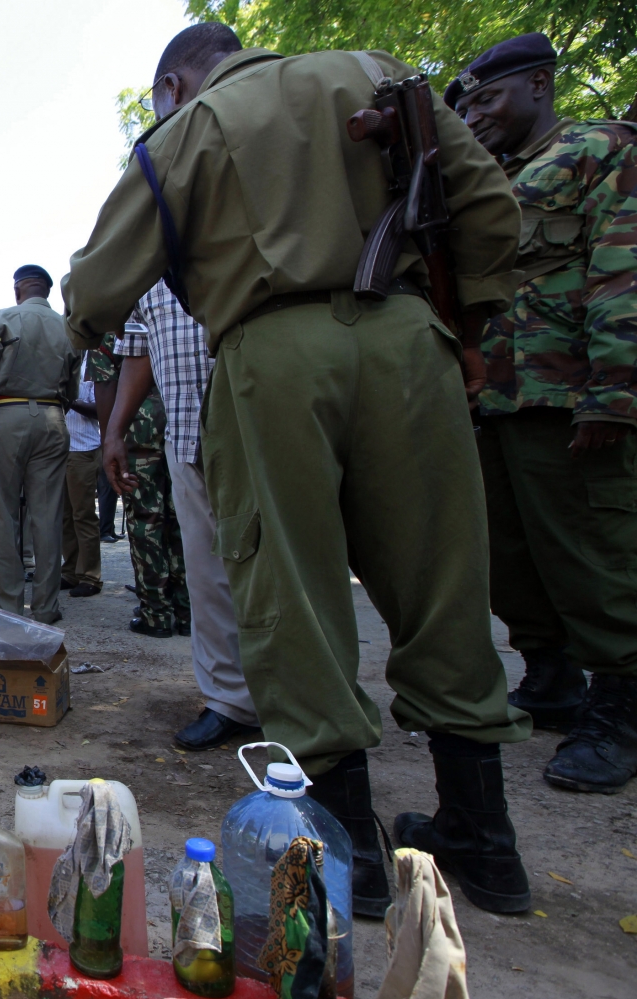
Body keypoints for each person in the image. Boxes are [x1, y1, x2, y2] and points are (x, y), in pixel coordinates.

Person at [64, 24, 532, 916]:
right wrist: (466, 331)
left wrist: (88, 336)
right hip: (407, 344)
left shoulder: (185, 130)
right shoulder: (380, 74)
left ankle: (349, 856)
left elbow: (94, 290)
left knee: (291, 593)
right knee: (443, 581)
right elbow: (489, 210)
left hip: (268, 357)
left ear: (175, 81)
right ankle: (488, 844)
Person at [450, 33, 637, 794]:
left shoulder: (602, 150)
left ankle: (620, 706)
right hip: (494, 398)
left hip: (570, 396)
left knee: (593, 551)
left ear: (539, 84)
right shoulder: (483, 178)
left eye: (490, 98)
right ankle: (551, 677)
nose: (481, 115)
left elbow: (622, 271)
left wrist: (615, 394)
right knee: (510, 552)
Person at [106, 281, 262, 751]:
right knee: (206, 573)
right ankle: (231, 702)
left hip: (259, 433)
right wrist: (115, 430)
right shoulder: (146, 280)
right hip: (185, 438)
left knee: (277, 568)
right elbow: (138, 353)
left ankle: (300, 697)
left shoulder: (234, 251)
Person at [0, 264, 80, 624]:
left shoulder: (3, 319)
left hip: (7, 415)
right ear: (47, 290)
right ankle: (46, 607)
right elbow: (71, 391)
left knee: (3, 515)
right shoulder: (68, 328)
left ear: (17, 290)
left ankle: (9, 608)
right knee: (47, 514)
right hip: (53, 417)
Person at [95, 346, 189, 635]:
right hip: (182, 417)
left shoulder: (115, 322)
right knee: (185, 517)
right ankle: (189, 613)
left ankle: (157, 615)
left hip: (136, 424)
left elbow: (106, 384)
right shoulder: (181, 303)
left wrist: (110, 438)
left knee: (146, 520)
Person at [59, 355, 103, 598]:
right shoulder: (57, 363)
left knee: (83, 515)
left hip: (83, 449)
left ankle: (90, 576)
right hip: (58, 449)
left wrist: (70, 401)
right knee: (65, 516)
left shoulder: (93, 364)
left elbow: (100, 409)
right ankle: (71, 571)